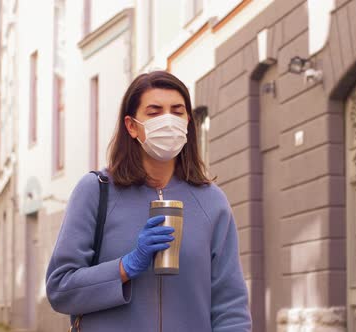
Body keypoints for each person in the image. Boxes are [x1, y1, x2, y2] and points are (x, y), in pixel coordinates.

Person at [45, 71, 252, 331]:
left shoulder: (212, 201)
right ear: (132, 126)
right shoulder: (96, 191)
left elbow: (230, 304)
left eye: (177, 112)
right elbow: (59, 289)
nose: (167, 120)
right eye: (154, 112)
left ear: (189, 121)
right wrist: (125, 267)